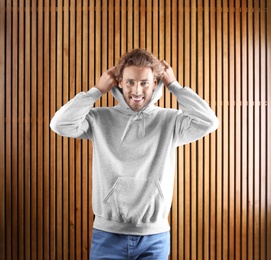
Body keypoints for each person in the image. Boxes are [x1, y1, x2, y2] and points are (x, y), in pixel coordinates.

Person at [50, 49, 219, 259]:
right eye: (130, 82)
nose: (137, 90)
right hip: (108, 235)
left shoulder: (171, 121)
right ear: (119, 82)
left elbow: (209, 122)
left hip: (154, 237)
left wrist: (174, 86)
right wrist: (96, 90)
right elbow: (59, 124)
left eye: (144, 83)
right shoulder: (99, 119)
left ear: (155, 84)